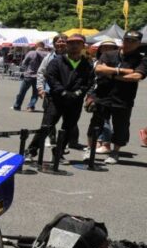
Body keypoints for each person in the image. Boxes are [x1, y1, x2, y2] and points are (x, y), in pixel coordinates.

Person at [84, 30, 146, 166]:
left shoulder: (141, 59)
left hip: (123, 98)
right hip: (102, 96)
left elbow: (136, 76)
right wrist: (122, 71)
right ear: (123, 40)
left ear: (138, 44)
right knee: (95, 124)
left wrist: (111, 74)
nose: (129, 43)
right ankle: (89, 149)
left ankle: (115, 152)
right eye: (127, 40)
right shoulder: (108, 54)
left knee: (121, 127)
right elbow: (99, 69)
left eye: (133, 41)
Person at [26, 35, 94, 159]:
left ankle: (58, 153)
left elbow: (88, 82)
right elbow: (51, 77)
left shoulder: (87, 63)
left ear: (83, 46)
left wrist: (77, 93)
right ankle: (31, 150)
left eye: (78, 43)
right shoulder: (57, 61)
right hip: (56, 99)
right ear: (67, 45)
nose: (74, 46)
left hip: (75, 101)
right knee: (47, 126)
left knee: (68, 127)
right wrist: (62, 92)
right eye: (71, 43)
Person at [13, 41, 47, 112]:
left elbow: (24, 63)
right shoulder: (46, 54)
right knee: (35, 94)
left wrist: (25, 69)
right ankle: (30, 107)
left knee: (22, 92)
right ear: (43, 47)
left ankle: (17, 106)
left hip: (29, 75)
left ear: (36, 46)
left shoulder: (31, 53)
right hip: (39, 76)